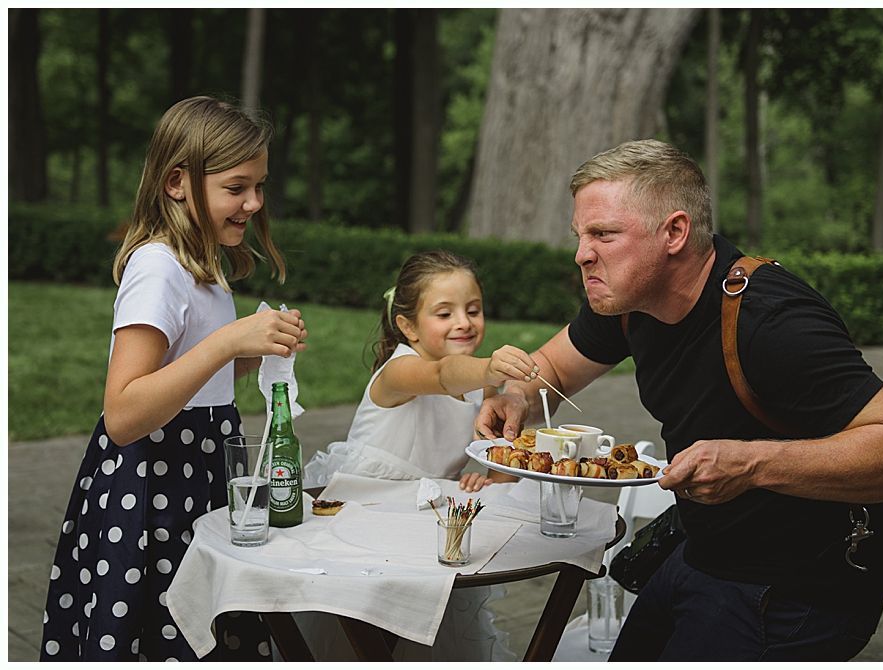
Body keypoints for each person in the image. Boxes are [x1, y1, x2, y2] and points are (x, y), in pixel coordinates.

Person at [474, 139, 883, 661]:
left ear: (674, 232)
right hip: (704, 551)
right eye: (580, 235)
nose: (582, 253)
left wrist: (752, 462)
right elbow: (554, 367)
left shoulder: (772, 320)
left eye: (604, 234)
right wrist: (518, 393)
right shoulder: (629, 302)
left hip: (800, 585)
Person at [40, 96, 308, 662]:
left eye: (259, 186)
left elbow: (196, 380)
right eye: (237, 188)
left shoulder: (206, 268)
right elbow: (124, 412)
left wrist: (252, 352)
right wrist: (226, 342)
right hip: (149, 488)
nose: (254, 203)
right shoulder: (158, 267)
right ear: (177, 183)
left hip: (197, 471)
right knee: (156, 629)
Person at [300, 249, 537, 661]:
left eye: (473, 309)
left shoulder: (481, 385)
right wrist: (489, 370)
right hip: (364, 513)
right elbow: (442, 377)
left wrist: (488, 476)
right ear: (407, 325)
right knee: (355, 634)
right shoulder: (400, 370)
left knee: (425, 636)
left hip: (423, 521)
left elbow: (497, 461)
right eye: (444, 314)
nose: (463, 322)